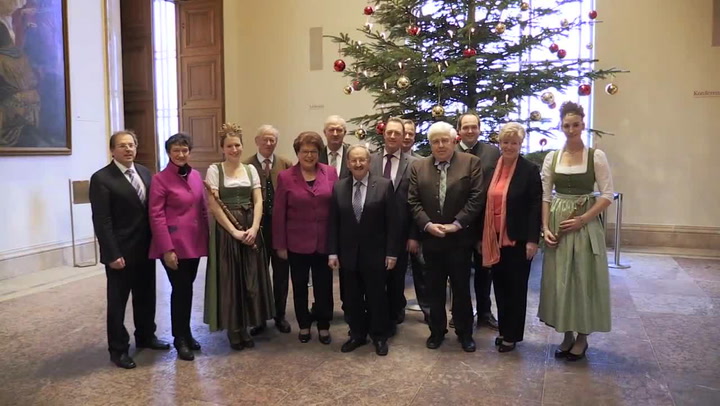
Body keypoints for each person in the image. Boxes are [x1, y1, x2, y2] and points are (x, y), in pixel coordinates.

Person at [538, 101, 614, 361]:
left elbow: (606, 195)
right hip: (559, 220)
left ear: (583, 125)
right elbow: (546, 195)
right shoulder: (553, 157)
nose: (571, 129)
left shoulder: (595, 156)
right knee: (561, 278)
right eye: (567, 125)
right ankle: (566, 334)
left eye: (576, 125)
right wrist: (545, 226)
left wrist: (583, 219)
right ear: (561, 126)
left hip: (584, 222)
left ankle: (582, 337)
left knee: (582, 278)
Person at [89, 130, 170, 369]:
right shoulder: (102, 178)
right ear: (112, 150)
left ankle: (146, 336)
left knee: (146, 296)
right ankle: (118, 350)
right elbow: (102, 220)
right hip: (120, 253)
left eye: (131, 145)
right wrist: (112, 254)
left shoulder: (145, 172)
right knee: (117, 303)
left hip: (146, 249)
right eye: (122, 145)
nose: (128, 149)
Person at [408, 121, 483, 352]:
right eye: (435, 141)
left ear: (454, 140)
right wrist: (427, 225)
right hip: (431, 240)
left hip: (459, 240)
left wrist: (457, 224)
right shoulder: (419, 167)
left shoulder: (471, 163)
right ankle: (437, 331)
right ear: (430, 143)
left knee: (461, 289)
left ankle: (464, 332)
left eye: (444, 140)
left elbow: (477, 197)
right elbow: (413, 201)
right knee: (434, 289)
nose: (440, 145)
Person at [203, 123, 275, 351]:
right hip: (227, 232)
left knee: (250, 277)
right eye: (229, 146)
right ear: (222, 148)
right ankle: (234, 329)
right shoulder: (215, 170)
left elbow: (258, 200)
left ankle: (246, 323)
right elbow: (214, 206)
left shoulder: (251, 170)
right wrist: (234, 231)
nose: (234, 149)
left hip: (250, 227)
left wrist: (254, 228)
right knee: (230, 278)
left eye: (237, 145)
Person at [329, 145, 398, 356]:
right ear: (348, 163)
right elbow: (333, 223)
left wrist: (392, 253)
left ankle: (379, 336)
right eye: (354, 160)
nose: (358, 164)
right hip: (348, 255)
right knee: (352, 297)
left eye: (362, 160)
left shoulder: (385, 186)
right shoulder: (339, 187)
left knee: (377, 296)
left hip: (375, 254)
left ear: (369, 162)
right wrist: (332, 252)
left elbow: (393, 222)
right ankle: (357, 334)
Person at [479, 123, 542, 353]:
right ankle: (504, 330)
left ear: (520, 144)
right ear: (499, 143)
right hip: (494, 238)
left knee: (516, 289)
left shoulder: (529, 170)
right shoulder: (493, 168)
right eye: (505, 142)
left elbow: (535, 207)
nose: (508, 146)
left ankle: (512, 336)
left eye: (513, 142)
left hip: (517, 240)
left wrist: (532, 240)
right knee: (500, 287)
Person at [273, 131, 338, 344]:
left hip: (324, 242)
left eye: (313, 151)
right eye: (304, 151)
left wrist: (336, 242)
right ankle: (303, 324)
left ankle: (323, 324)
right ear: (297, 153)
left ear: (319, 153)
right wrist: (280, 244)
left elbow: (337, 210)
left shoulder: (330, 173)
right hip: (296, 243)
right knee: (299, 285)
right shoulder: (285, 177)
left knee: (324, 286)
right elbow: (279, 213)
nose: (309, 155)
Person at [148, 133, 209, 361]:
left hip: (193, 243)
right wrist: (167, 249)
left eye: (184, 150)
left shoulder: (195, 175)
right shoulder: (160, 179)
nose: (181, 154)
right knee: (180, 290)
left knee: (187, 289)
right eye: (176, 150)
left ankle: (187, 333)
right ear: (169, 153)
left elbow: (202, 209)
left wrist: (207, 241)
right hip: (173, 245)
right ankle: (179, 339)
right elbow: (156, 216)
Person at [243, 125, 293, 335]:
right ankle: (259, 318)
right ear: (257, 140)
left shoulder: (286, 164)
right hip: (256, 228)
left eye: (272, 139)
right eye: (265, 139)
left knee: (281, 273)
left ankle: (280, 315)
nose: (269, 143)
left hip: (280, 228)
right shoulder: (246, 166)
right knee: (257, 273)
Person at [370, 117, 419, 329]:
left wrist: (413, 235)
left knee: (397, 277)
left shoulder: (415, 164)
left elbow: (418, 202)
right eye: (389, 132)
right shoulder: (369, 160)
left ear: (403, 137)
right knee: (374, 277)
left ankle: (393, 314)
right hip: (372, 232)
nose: (392, 136)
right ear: (383, 134)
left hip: (401, 232)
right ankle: (375, 313)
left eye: (397, 133)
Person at [456, 112, 501, 330]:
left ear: (479, 129)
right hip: (459, 224)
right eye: (466, 127)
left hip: (485, 223)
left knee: (485, 272)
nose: (470, 130)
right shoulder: (450, 152)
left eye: (474, 127)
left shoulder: (492, 153)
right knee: (459, 273)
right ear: (459, 130)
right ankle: (459, 313)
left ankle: (484, 312)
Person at [401, 119, 430, 322]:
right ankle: (396, 309)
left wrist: (414, 233)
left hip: (415, 227)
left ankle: (428, 311)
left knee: (422, 272)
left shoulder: (421, 163)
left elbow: (421, 200)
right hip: (389, 229)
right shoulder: (378, 161)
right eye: (405, 133)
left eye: (411, 133)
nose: (408, 136)